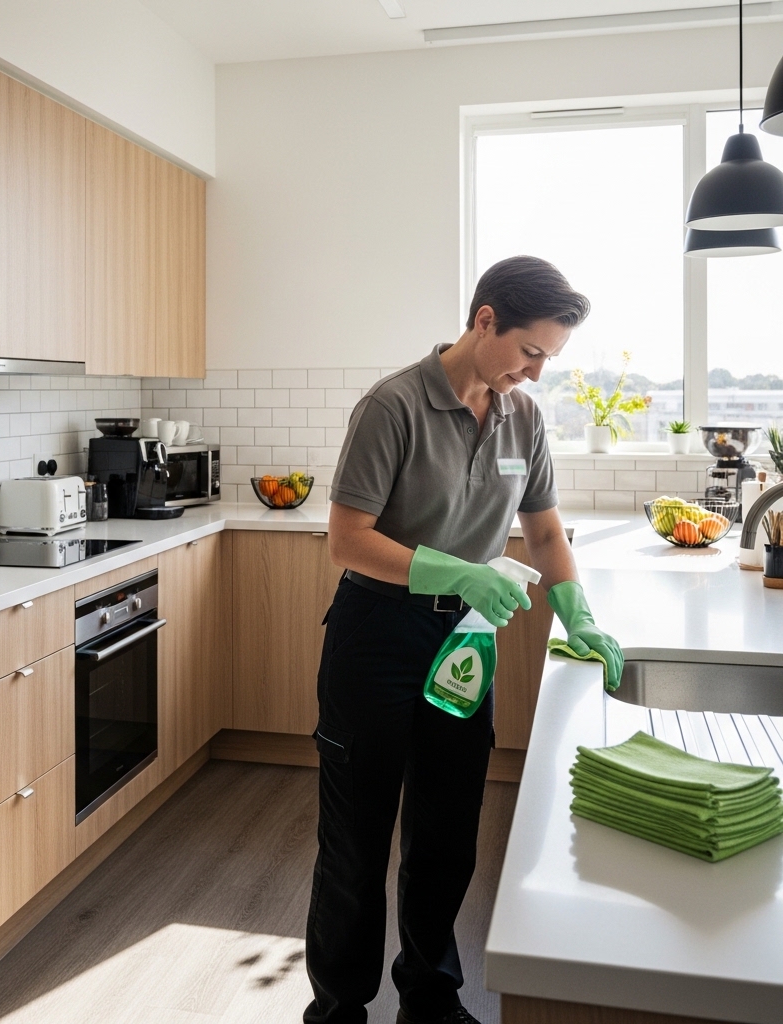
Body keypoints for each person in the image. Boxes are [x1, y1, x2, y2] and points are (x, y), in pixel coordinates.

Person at [303, 256, 623, 1024]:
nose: (539, 373)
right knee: (357, 839)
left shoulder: (522, 419)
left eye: (551, 357)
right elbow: (346, 540)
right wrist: (457, 569)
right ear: (485, 321)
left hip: (464, 643)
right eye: (531, 352)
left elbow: (542, 528)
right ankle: (340, 1009)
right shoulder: (395, 406)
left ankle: (431, 997)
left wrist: (575, 609)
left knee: (446, 834)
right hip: (377, 636)